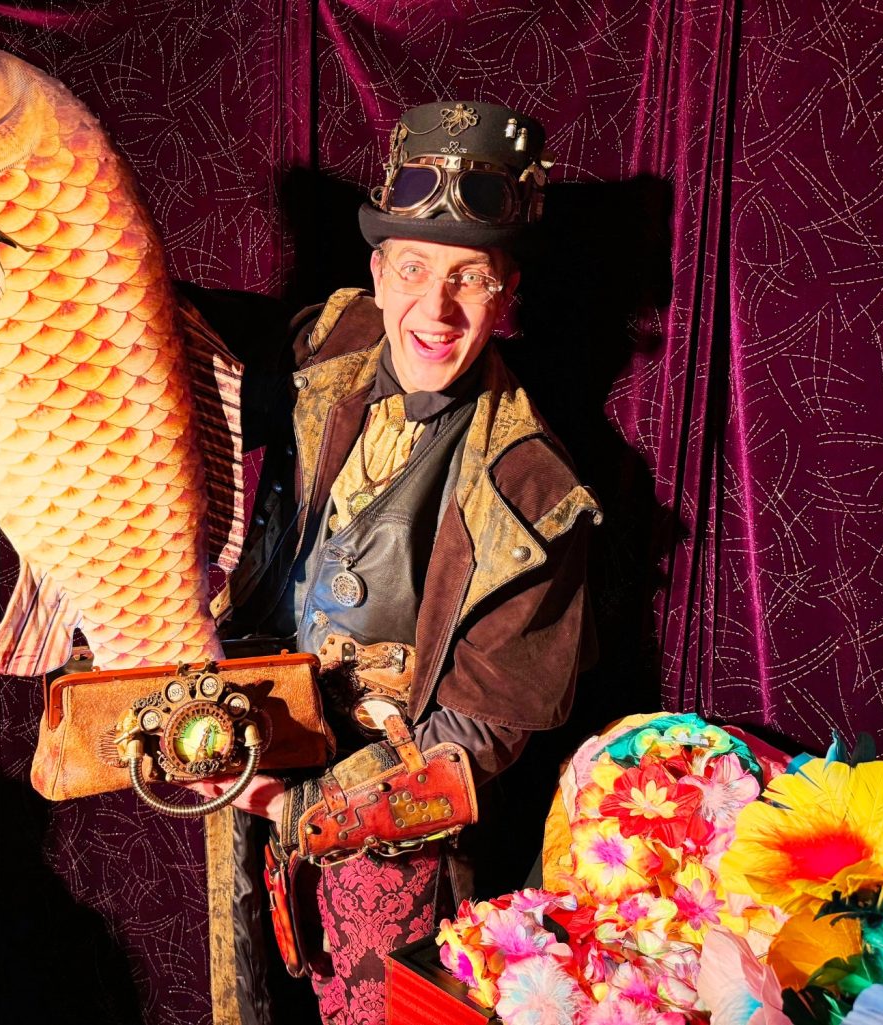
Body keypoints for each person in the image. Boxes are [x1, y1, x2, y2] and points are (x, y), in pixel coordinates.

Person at [199, 100, 600, 1024]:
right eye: (413, 269)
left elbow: (480, 739)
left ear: (508, 296)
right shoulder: (332, 343)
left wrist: (312, 806)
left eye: (470, 277)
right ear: (377, 274)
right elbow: (192, 358)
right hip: (245, 749)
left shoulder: (536, 494)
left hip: (388, 839)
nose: (436, 309)